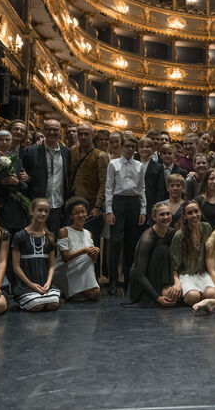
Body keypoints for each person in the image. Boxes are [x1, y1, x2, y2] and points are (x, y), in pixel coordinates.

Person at [105, 134, 147, 295]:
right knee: (115, 242)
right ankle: (113, 281)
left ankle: (129, 280)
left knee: (131, 244)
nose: (130, 149)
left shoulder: (139, 165)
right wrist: (109, 210)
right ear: (122, 146)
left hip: (134, 203)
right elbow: (108, 188)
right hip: (118, 202)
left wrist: (143, 210)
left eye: (132, 146)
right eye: (127, 146)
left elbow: (142, 189)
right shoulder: (113, 164)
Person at [21, 118, 71, 231]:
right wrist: (28, 178)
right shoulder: (32, 151)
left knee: (53, 239)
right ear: (43, 131)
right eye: (48, 129)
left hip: (58, 205)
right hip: (37, 204)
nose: (52, 132)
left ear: (60, 132)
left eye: (55, 130)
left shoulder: (66, 152)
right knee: (35, 236)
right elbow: (24, 175)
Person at [11, 199, 60, 311]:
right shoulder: (20, 236)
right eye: (40, 210)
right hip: (27, 284)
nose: (43, 214)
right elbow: (16, 267)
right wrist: (31, 285)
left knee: (53, 304)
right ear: (31, 211)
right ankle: (30, 297)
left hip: (45, 282)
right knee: (37, 305)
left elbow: (52, 265)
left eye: (46, 211)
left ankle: (44, 295)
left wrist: (48, 283)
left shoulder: (50, 237)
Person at [128, 202, 179, 306]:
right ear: (154, 217)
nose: (166, 217)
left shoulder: (172, 233)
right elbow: (139, 274)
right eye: (162, 214)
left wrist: (177, 283)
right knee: (162, 249)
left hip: (160, 273)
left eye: (168, 214)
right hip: (142, 277)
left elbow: (175, 261)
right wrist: (157, 298)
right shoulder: (147, 239)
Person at [69, 123, 109, 250]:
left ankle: (95, 270)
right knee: (75, 242)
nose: (82, 137)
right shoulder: (73, 151)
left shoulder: (100, 155)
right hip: (74, 201)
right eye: (80, 134)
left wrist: (98, 206)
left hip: (91, 205)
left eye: (86, 134)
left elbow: (104, 182)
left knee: (92, 243)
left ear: (93, 135)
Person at [53, 197, 101, 301]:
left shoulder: (89, 234)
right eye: (76, 213)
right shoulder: (64, 231)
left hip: (81, 270)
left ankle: (75, 292)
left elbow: (92, 260)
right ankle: (69, 289)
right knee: (87, 256)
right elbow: (65, 257)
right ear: (71, 216)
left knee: (95, 294)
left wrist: (95, 252)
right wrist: (85, 250)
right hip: (64, 270)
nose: (81, 215)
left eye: (83, 212)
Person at [170, 201, 215, 306]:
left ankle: (201, 298)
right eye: (190, 213)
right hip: (186, 275)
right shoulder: (179, 236)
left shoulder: (206, 228)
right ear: (185, 216)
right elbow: (174, 266)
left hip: (202, 273)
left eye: (196, 211)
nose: (194, 215)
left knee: (211, 294)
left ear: (200, 212)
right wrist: (177, 283)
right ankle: (194, 296)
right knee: (193, 296)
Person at [0, 130, 29, 235]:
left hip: (14, 205)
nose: (4, 142)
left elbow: (25, 185)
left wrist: (17, 182)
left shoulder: (17, 161)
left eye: (7, 140)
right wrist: (0, 182)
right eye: (1, 140)